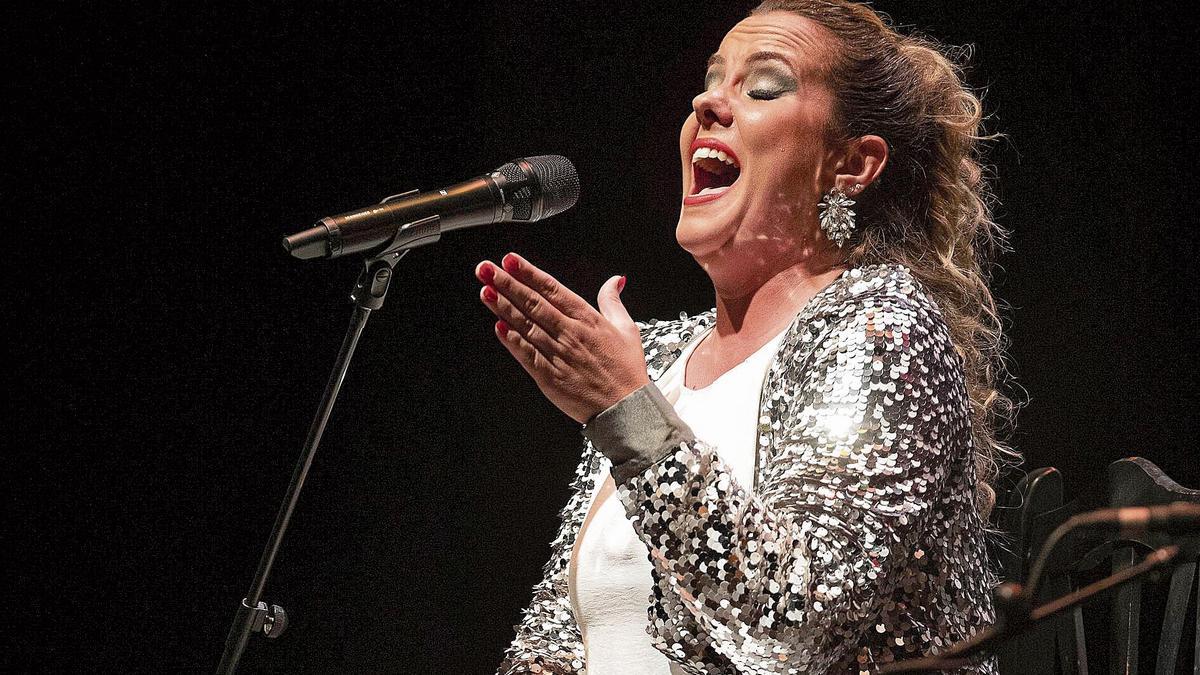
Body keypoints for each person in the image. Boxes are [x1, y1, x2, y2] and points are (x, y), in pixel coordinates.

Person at [477, 1, 1014, 672]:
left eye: (761, 87)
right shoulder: (656, 360)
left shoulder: (883, 327)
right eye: (711, 79)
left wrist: (628, 415)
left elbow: (796, 618)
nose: (708, 101)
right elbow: (558, 633)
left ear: (851, 165)